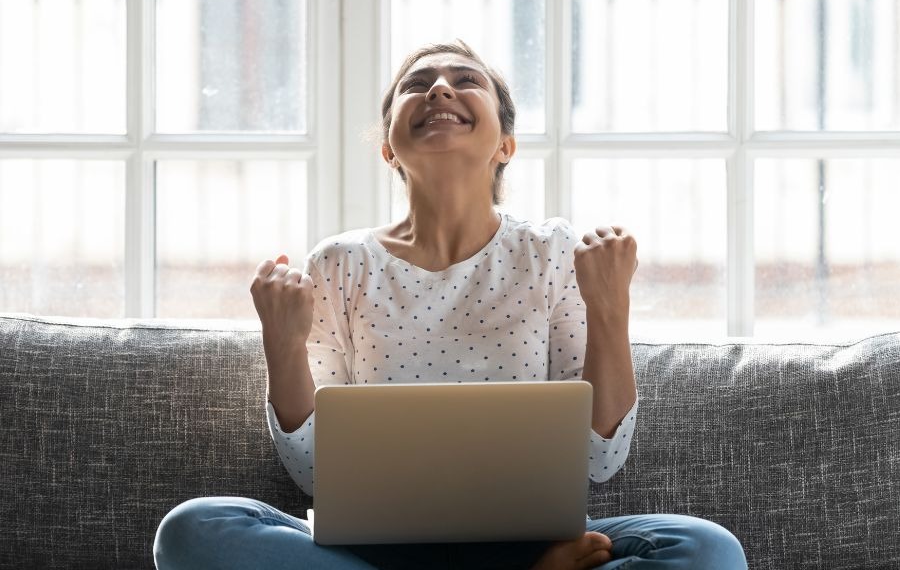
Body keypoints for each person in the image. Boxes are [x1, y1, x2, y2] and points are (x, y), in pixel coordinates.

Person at [154, 40, 748, 570]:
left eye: (466, 81)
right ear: (389, 148)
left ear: (505, 145)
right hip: (373, 550)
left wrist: (610, 307)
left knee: (705, 550)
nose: (439, 87)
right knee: (196, 529)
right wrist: (281, 346)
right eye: (417, 84)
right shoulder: (338, 263)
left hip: (529, 542)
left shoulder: (552, 252)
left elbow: (601, 457)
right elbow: (313, 474)